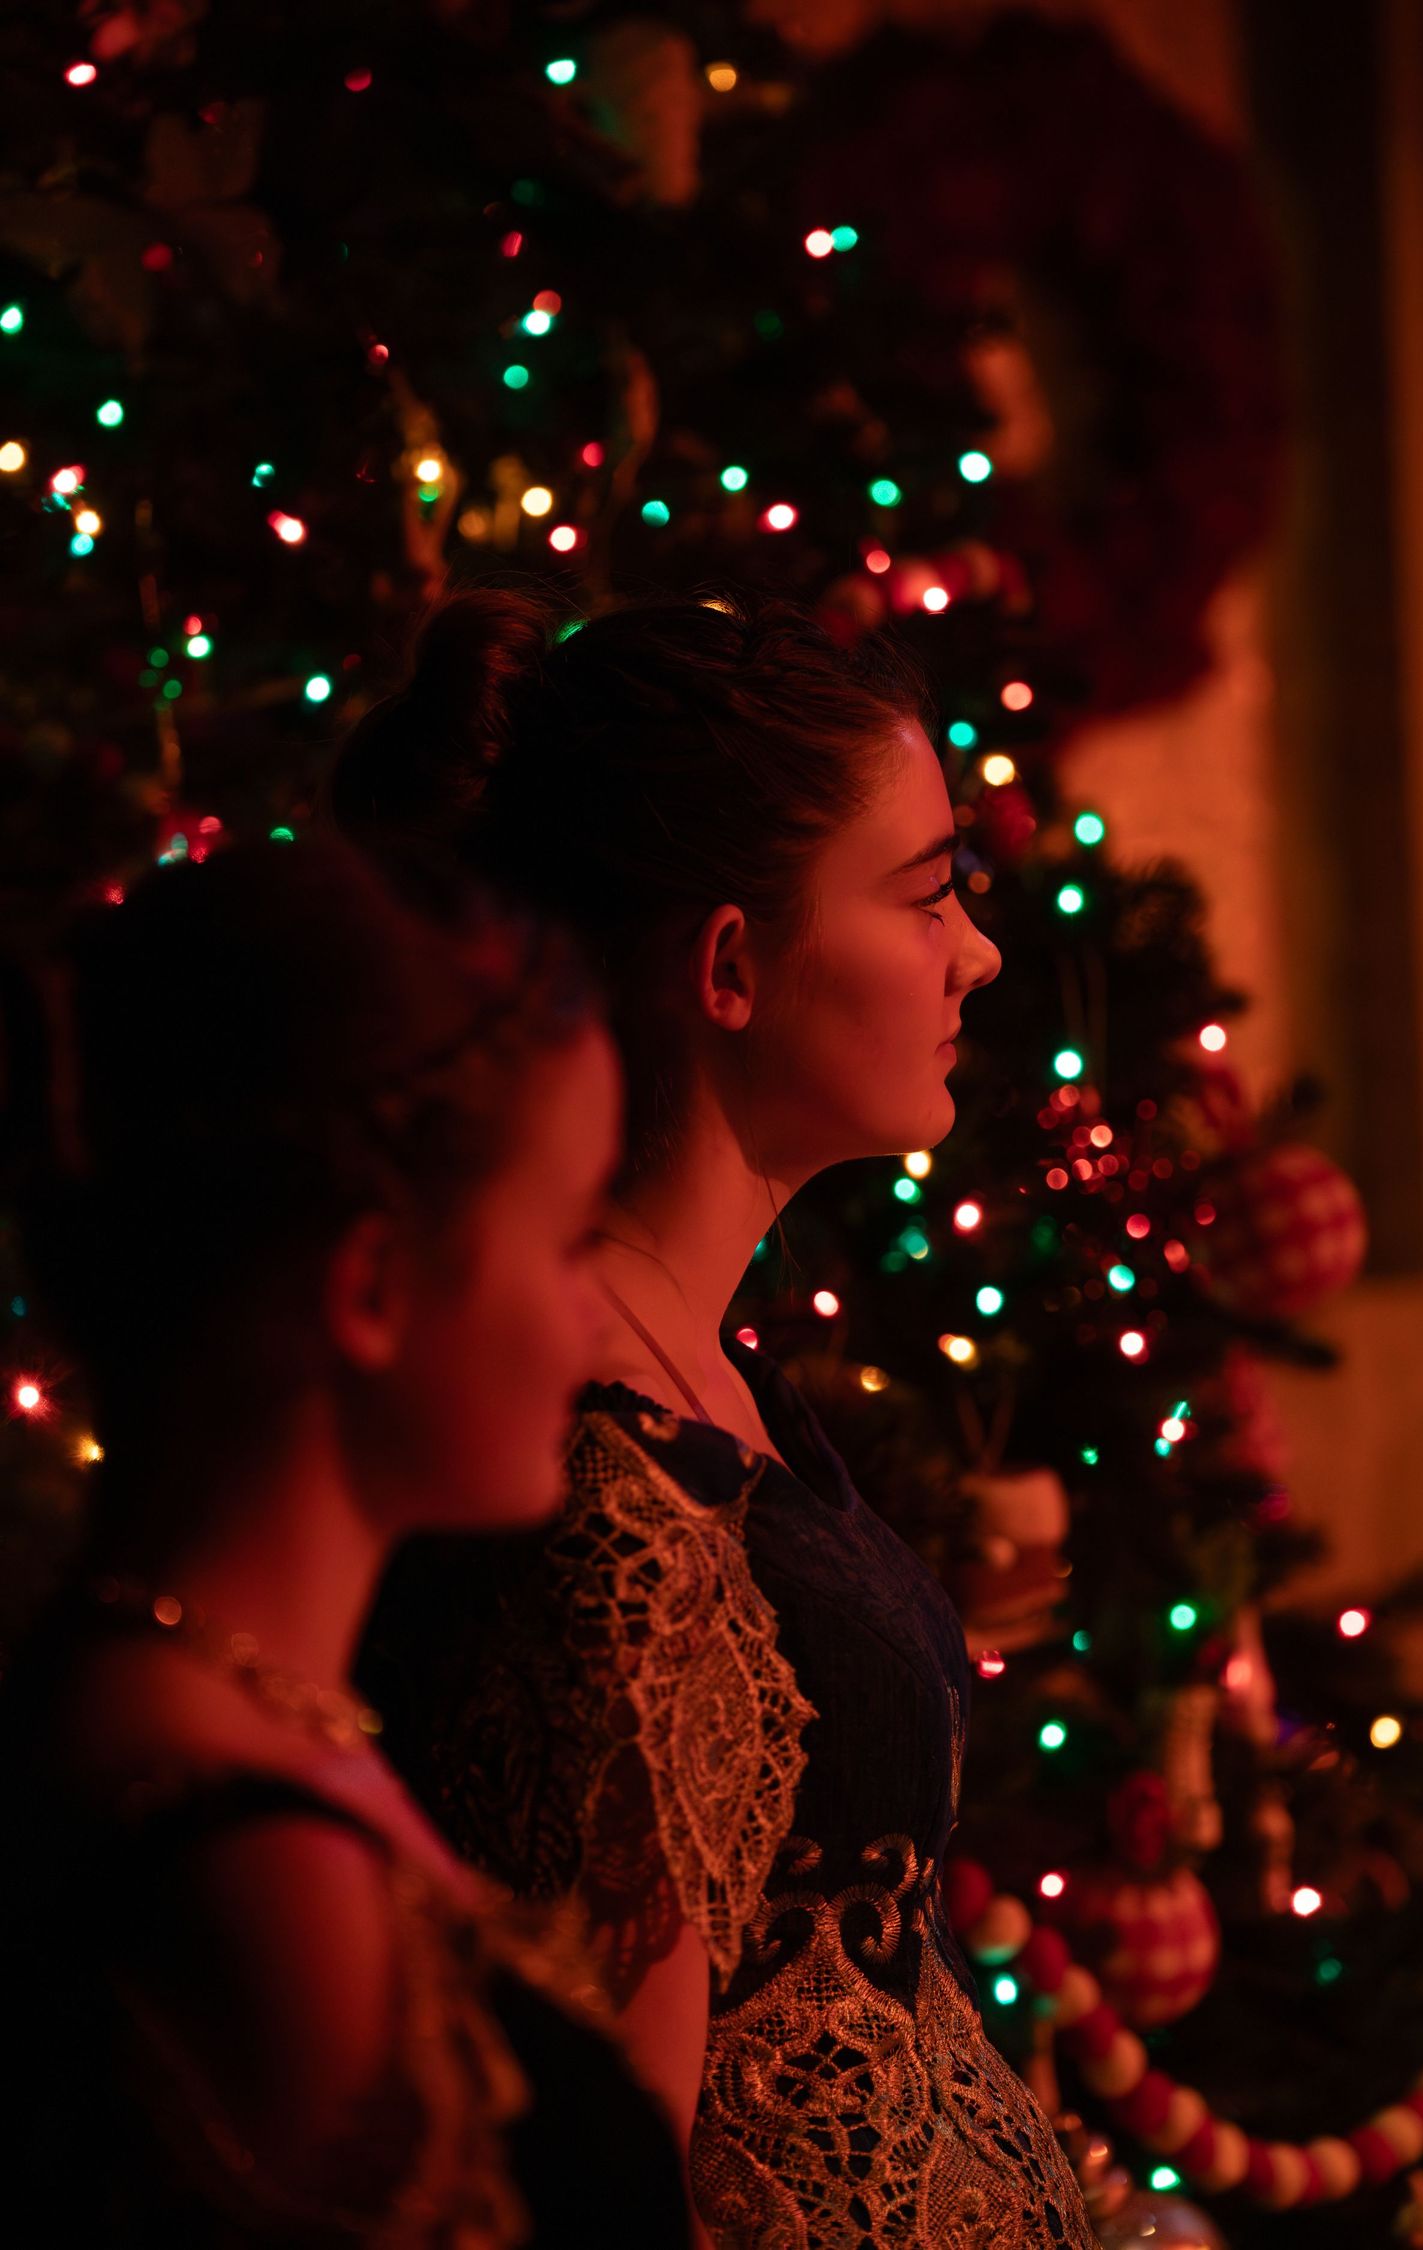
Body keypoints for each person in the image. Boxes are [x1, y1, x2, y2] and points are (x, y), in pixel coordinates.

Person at [340, 589, 1097, 2247]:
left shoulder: (709, 1373)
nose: (974, 948)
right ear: (733, 965)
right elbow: (615, 2144)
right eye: (924, 895)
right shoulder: (611, 1471)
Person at [0, 837, 691, 2247]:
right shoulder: (254, 1871)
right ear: (371, 1283)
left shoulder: (251, 1712)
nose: (595, 1320)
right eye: (568, 1241)